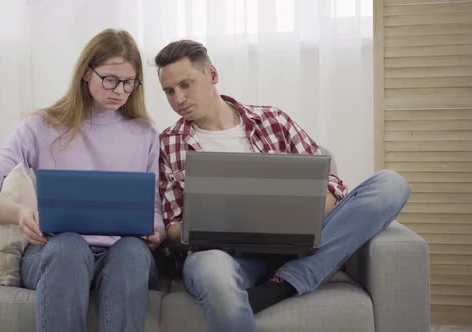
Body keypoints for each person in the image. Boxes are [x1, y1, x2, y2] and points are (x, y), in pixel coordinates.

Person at [154, 39, 410, 332]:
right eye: (169, 91)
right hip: (223, 257)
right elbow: (171, 228)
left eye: (186, 85)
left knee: (391, 184)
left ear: (212, 75)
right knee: (212, 274)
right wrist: (207, 223)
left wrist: (294, 213)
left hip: (296, 248)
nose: (178, 99)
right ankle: (289, 281)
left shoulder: (272, 120)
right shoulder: (168, 143)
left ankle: (287, 281)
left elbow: (331, 184)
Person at [0, 29, 166, 332]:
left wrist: (157, 230)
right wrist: (19, 213)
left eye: (129, 82)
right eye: (110, 79)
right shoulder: (41, 126)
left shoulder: (145, 134)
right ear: (86, 73)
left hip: (123, 254)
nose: (120, 90)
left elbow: (153, 209)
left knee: (132, 252)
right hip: (55, 252)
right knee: (69, 246)